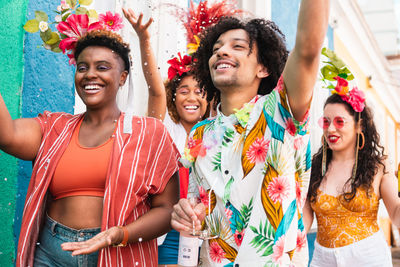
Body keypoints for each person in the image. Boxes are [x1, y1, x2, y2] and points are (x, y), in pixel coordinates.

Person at [1, 26, 180, 266]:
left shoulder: (149, 132)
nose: (89, 74)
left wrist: (118, 234)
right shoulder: (54, 127)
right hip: (51, 255)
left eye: (102, 67)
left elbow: (167, 210)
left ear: (123, 76)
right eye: (82, 67)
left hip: (119, 254)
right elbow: (7, 135)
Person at [170, 0, 330, 266]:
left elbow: (308, 49)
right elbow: (198, 210)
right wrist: (185, 214)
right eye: (216, 48)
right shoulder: (199, 133)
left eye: (238, 47)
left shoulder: (280, 110)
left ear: (263, 68)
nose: (221, 53)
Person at [303, 50, 398, 266]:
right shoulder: (315, 167)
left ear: (359, 125)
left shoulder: (378, 166)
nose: (331, 129)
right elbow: (305, 220)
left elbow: (395, 212)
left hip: (369, 258)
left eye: (339, 121)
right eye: (326, 122)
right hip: (322, 260)